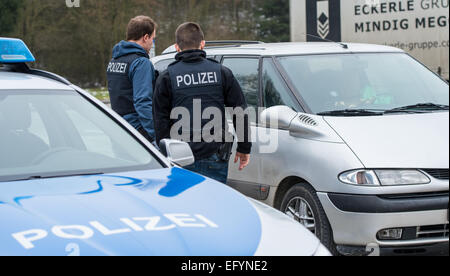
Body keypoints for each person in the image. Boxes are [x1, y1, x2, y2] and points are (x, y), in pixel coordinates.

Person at [153, 22, 251, 184]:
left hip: (180, 157)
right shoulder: (221, 72)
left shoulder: (167, 77)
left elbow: (160, 120)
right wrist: (244, 148)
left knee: (184, 206)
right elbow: (239, 111)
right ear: (202, 44)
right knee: (213, 206)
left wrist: (166, 152)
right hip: (215, 155)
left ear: (177, 47)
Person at [107, 15, 157, 142]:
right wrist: (155, 133)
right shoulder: (141, 62)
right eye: (153, 39)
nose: (152, 43)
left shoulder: (114, 60)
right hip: (138, 131)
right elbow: (143, 102)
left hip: (119, 128)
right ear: (145, 37)